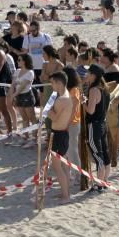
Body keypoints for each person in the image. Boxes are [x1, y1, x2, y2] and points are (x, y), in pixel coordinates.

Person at [46, 71, 73, 204]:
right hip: (62, 133)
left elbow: (54, 117)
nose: (52, 86)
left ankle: (66, 195)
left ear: (59, 83)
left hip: (58, 134)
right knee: (64, 167)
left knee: (58, 167)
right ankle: (65, 192)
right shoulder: (66, 96)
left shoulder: (62, 99)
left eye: (53, 83)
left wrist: (46, 110)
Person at [83, 64, 111, 190]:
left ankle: (99, 184)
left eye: (88, 72)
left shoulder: (94, 90)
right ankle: (104, 181)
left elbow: (90, 111)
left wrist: (83, 102)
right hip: (103, 124)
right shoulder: (104, 88)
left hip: (94, 126)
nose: (86, 74)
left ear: (93, 75)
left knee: (98, 155)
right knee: (104, 153)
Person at [11, 54, 37, 146]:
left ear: (24, 61)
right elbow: (13, 84)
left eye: (19, 60)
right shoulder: (17, 71)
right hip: (19, 96)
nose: (17, 61)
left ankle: (34, 138)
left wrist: (13, 95)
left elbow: (23, 86)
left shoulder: (30, 72)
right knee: (24, 118)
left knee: (32, 117)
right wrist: (11, 95)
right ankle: (26, 137)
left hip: (27, 96)